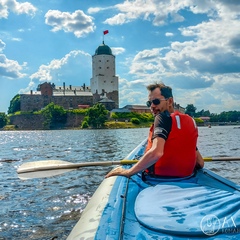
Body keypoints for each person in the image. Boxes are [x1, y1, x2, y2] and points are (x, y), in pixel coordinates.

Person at [105, 82, 204, 179]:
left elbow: (156, 153)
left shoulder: (162, 117)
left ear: (169, 101)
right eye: (149, 103)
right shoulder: (191, 121)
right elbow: (200, 162)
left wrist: (129, 172)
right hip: (187, 177)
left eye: (156, 102)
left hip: (158, 179)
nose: (151, 106)